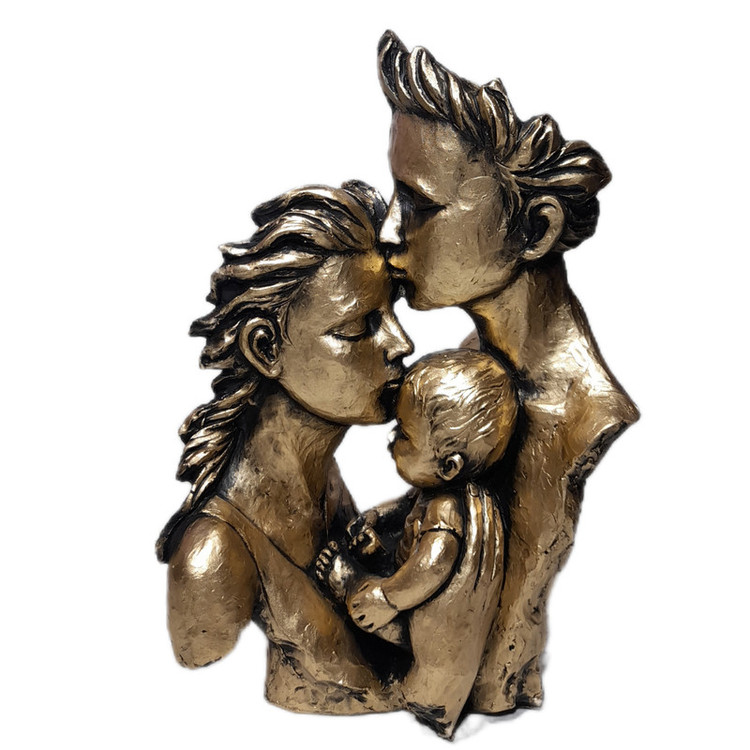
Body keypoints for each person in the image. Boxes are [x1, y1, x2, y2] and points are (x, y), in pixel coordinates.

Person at [377, 31, 639, 713]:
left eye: (420, 206)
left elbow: (496, 658)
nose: (390, 231)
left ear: (534, 230)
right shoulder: (473, 365)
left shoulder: (576, 417)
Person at [155, 180, 413, 713]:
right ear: (266, 346)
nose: (401, 342)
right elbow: (199, 650)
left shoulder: (326, 483)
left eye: (391, 313)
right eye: (359, 327)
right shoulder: (214, 555)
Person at [316, 350, 518, 738]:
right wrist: (378, 517)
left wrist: (386, 597)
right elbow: (406, 506)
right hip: (414, 590)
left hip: (423, 627)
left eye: (404, 435)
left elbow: (433, 566)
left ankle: (347, 582)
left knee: (365, 605)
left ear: (449, 466)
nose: (391, 441)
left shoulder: (447, 511)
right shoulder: (440, 489)